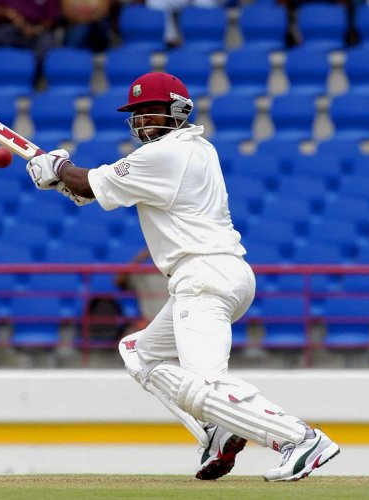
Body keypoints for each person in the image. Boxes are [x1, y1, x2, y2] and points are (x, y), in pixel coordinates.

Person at [25, 71, 340, 481]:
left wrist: (59, 167)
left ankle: (299, 439)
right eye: (137, 113)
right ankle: (216, 428)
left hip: (203, 276)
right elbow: (89, 190)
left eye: (151, 110)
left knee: (206, 383)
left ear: (179, 111)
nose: (142, 119)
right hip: (218, 273)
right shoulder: (195, 149)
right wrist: (59, 177)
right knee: (141, 353)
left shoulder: (166, 154)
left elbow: (87, 182)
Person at [0, 0, 61, 86]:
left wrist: (36, 29)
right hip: (11, 27)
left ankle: (36, 82)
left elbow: (51, 18)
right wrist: (9, 14)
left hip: (37, 30)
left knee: (46, 44)